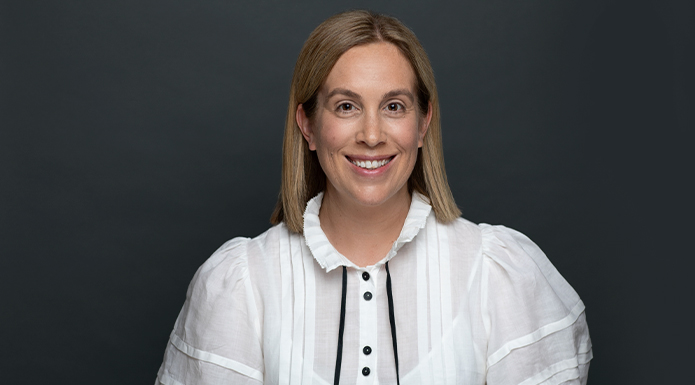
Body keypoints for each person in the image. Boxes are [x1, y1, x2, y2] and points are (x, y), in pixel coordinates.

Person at [155, 10, 592, 385]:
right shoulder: (241, 285)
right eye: (346, 106)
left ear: (423, 124)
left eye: (394, 106)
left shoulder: (498, 275)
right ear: (307, 125)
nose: (370, 134)